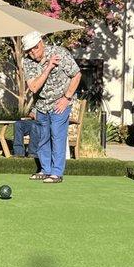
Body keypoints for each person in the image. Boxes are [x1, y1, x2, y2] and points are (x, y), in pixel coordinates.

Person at [22, 31, 82, 183]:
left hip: (59, 103)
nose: (32, 53)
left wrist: (67, 97)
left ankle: (56, 172)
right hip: (42, 104)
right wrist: (48, 68)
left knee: (57, 134)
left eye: (34, 48)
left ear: (41, 43)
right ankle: (45, 169)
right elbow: (34, 87)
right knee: (43, 137)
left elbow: (77, 74)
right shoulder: (27, 62)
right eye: (28, 50)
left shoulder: (59, 53)